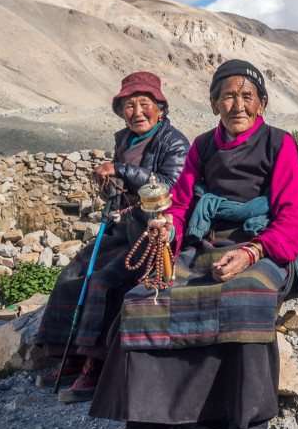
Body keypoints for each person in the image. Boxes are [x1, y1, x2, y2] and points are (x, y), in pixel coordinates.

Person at [89, 59, 298, 429]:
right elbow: (180, 205)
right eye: (228, 96)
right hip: (203, 244)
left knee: (245, 296)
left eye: (247, 96)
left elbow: (294, 217)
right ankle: (150, 411)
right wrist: (167, 228)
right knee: (146, 296)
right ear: (214, 103)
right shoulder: (202, 146)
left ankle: (250, 417)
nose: (238, 105)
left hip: (265, 247)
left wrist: (253, 251)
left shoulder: (278, 144)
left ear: (262, 103)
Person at [35, 71, 190, 403]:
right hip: (124, 224)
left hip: (153, 229)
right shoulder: (125, 139)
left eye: (143, 104)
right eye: (129, 106)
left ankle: (97, 363)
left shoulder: (174, 141)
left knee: (104, 281)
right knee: (75, 272)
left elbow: (168, 186)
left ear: (160, 108)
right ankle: (68, 355)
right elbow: (121, 191)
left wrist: (121, 171)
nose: (136, 112)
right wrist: (110, 189)